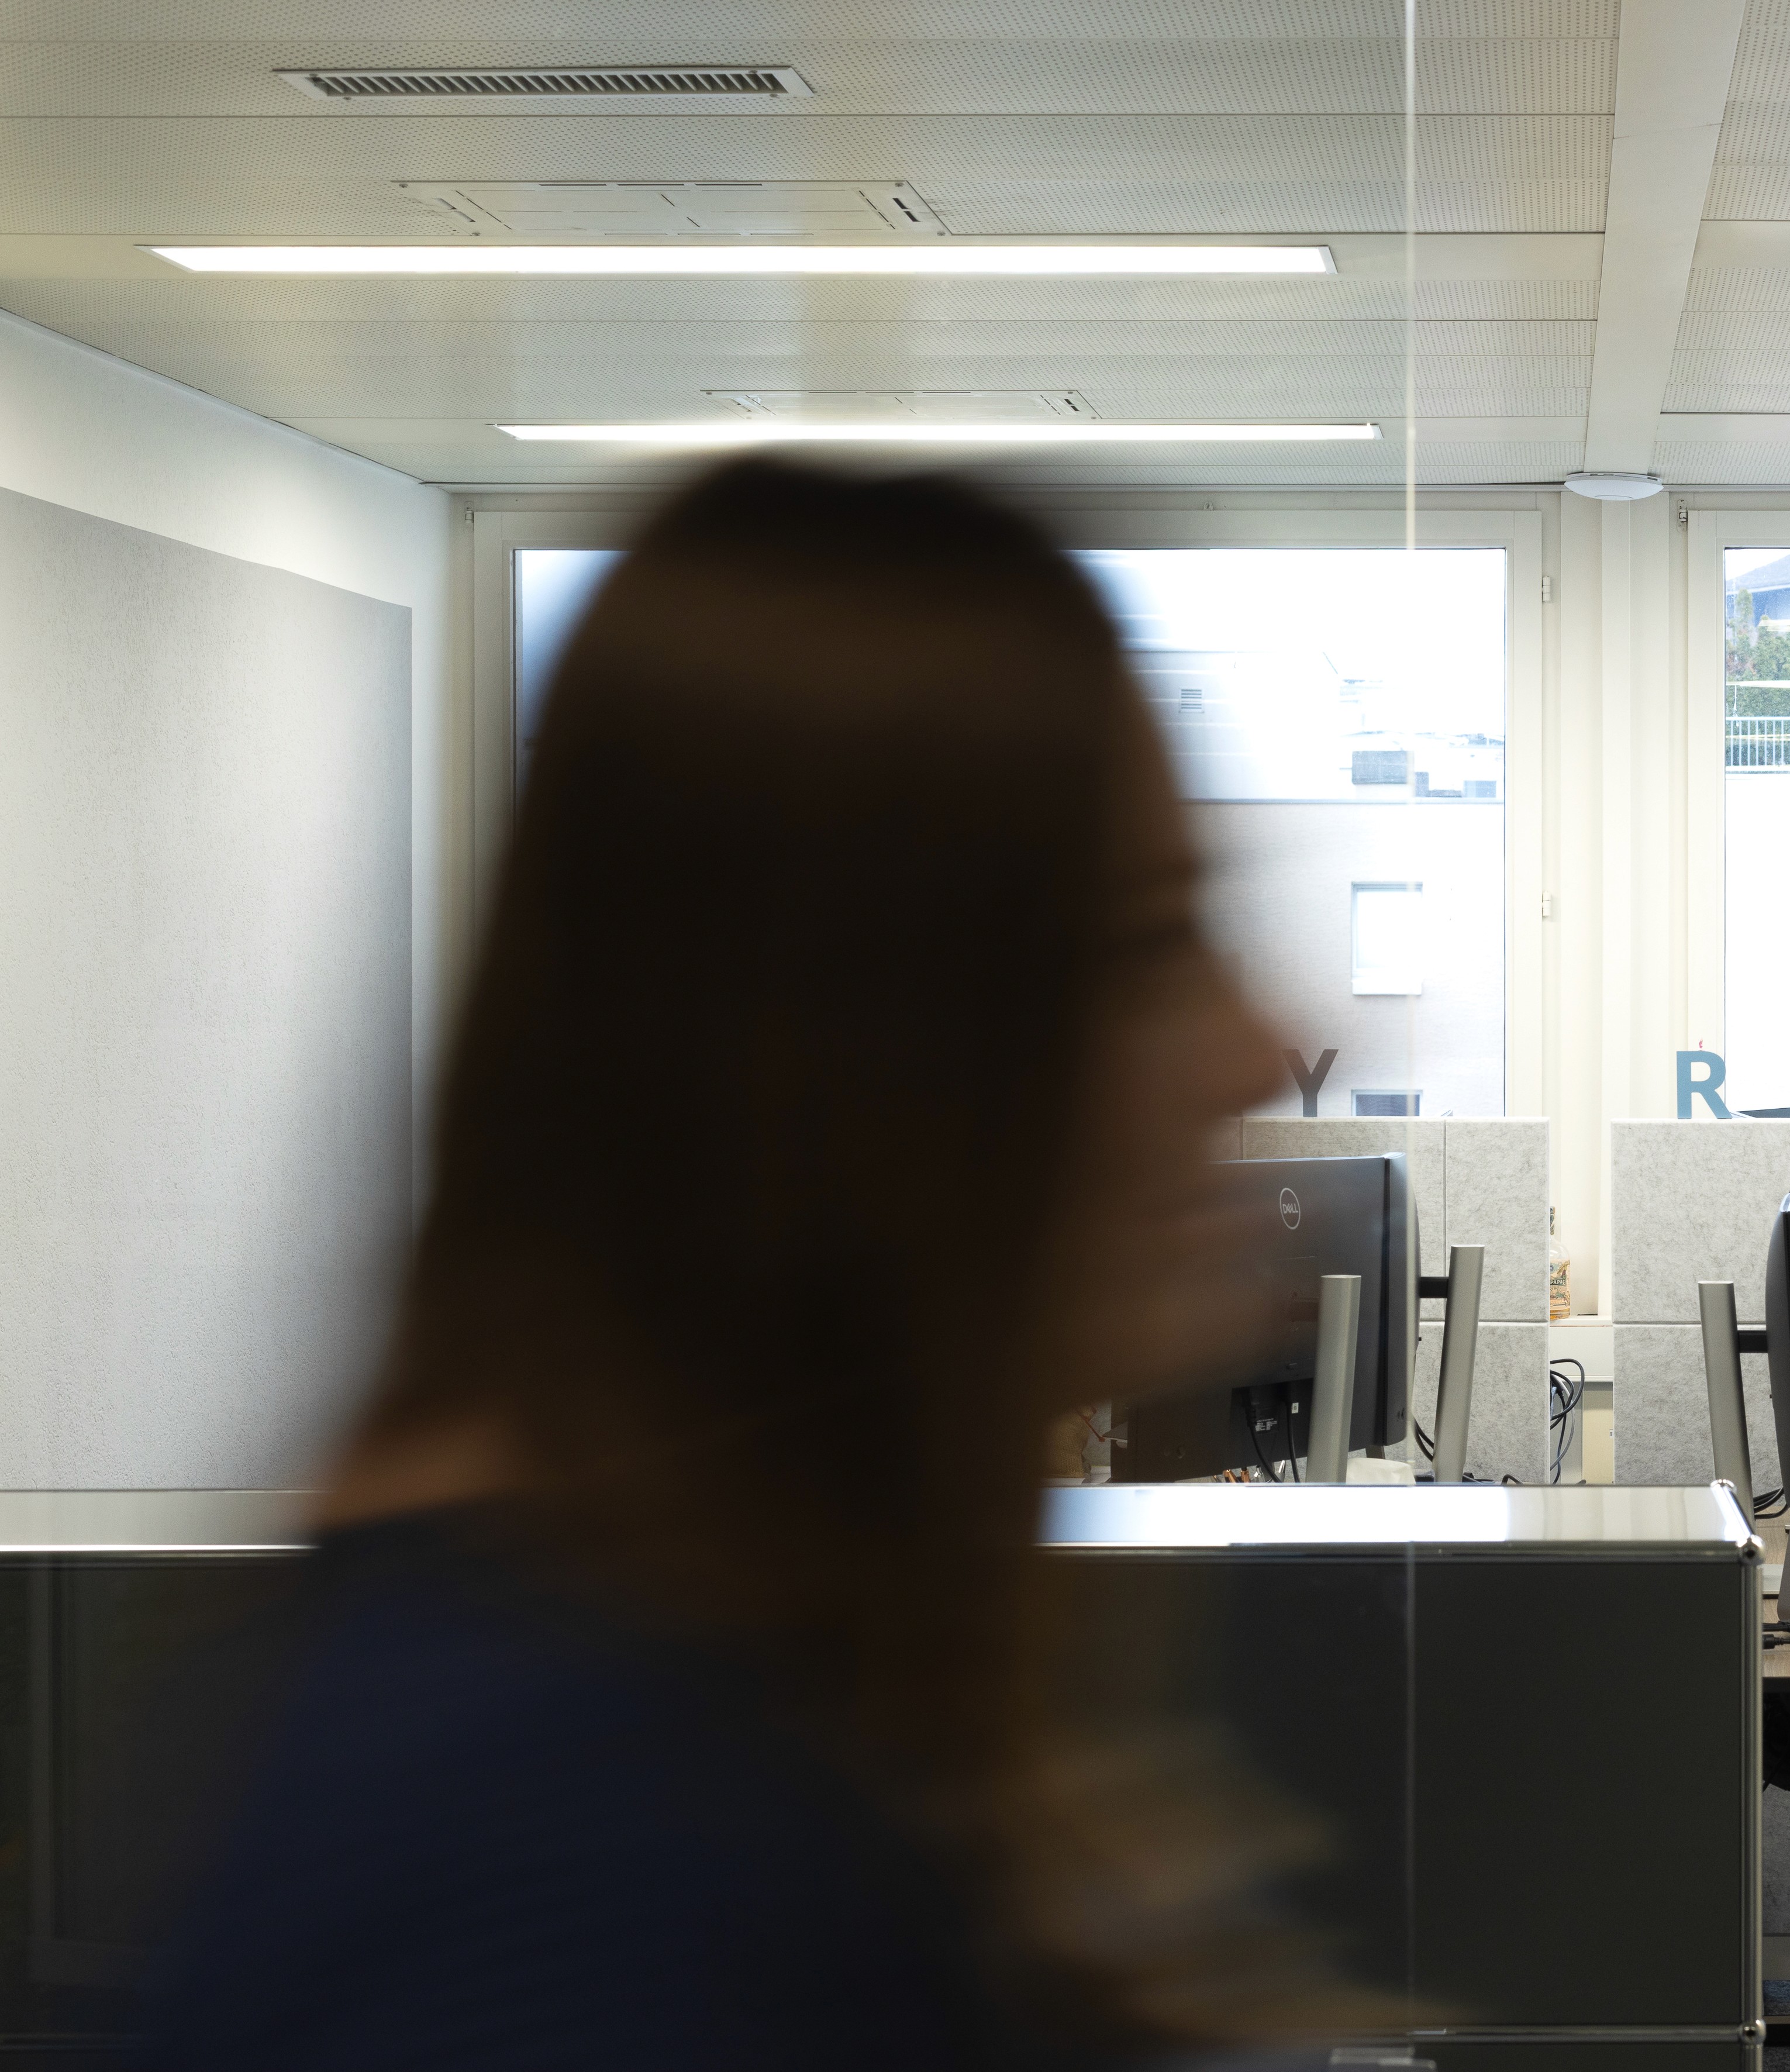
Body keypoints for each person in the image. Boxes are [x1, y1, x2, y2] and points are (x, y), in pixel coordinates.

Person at [139, 460, 1295, 2069]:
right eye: (1141, 948)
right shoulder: (572, 1844)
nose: (1260, 1049)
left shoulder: (711, 1680)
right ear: (840, 1050)